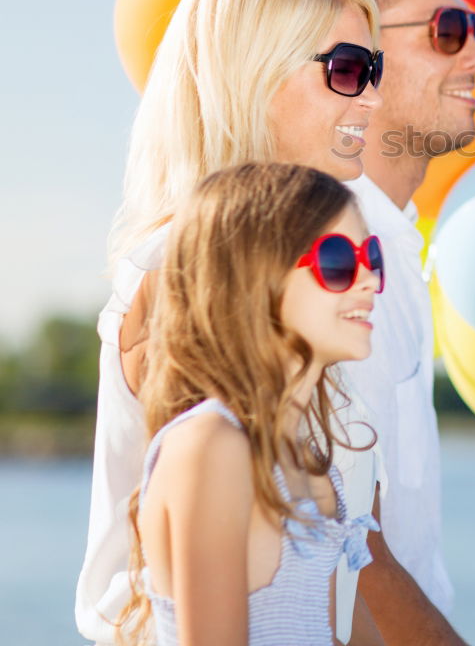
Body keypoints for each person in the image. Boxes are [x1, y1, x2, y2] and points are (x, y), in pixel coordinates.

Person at [77, 0, 461, 645]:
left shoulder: (311, 272)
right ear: (251, 78)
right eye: (346, 71)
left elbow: (332, 582)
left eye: (372, 71)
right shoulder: (180, 277)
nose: (371, 98)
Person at [118, 162, 385, 646]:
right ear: (253, 280)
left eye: (374, 256)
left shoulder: (309, 467)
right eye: (339, 261)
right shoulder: (210, 446)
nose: (368, 280)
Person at [312, 0, 475, 629]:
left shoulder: (392, 242)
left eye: (472, 33)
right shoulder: (334, 252)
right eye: (447, 31)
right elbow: (341, 538)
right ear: (357, 54)